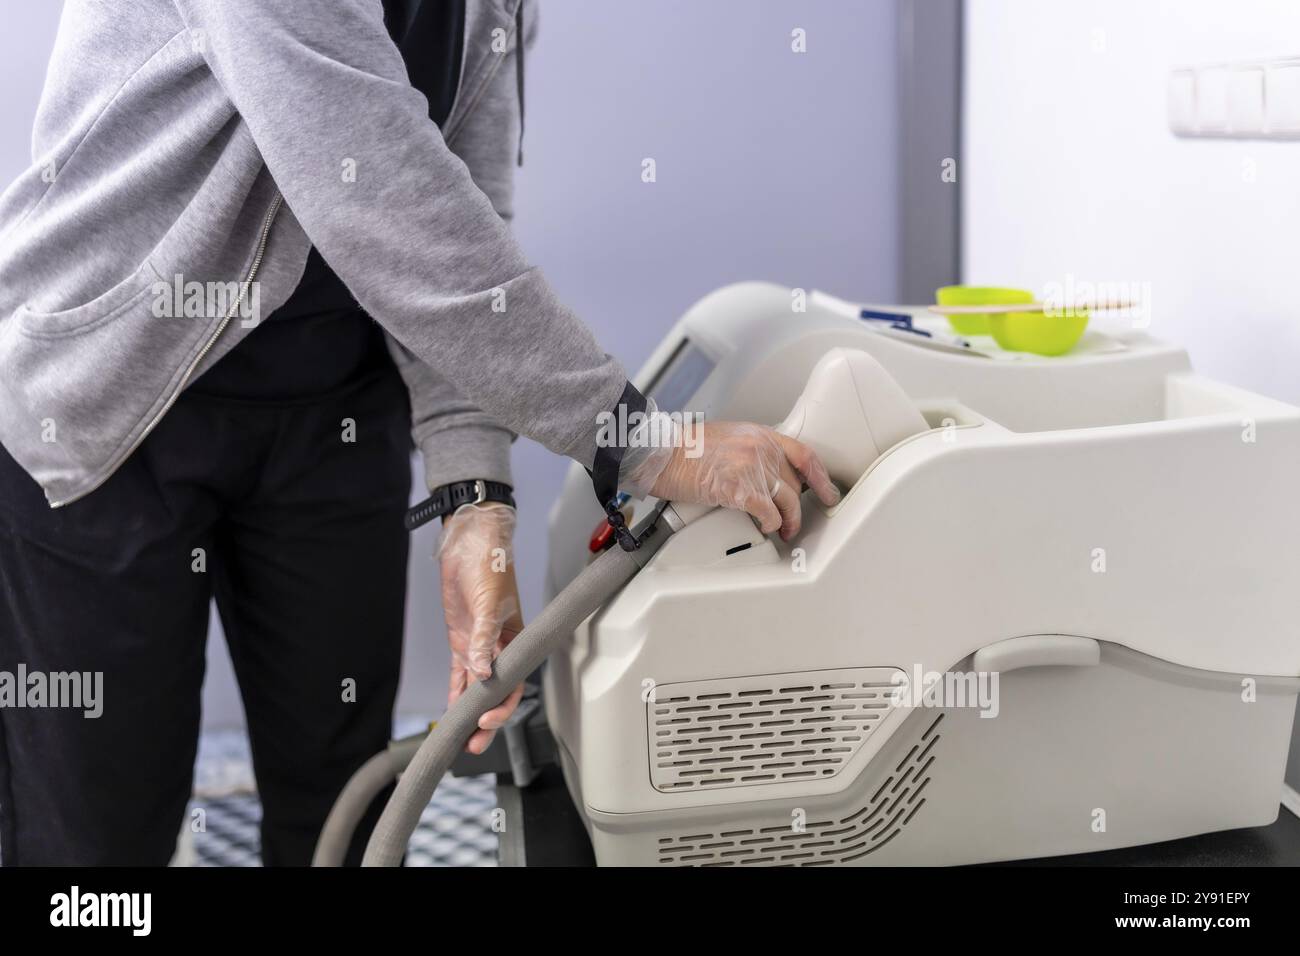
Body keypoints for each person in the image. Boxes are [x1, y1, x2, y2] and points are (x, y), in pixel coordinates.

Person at [0, 0, 838, 866]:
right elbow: (382, 200)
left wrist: (475, 498)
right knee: (94, 843)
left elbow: (460, 216)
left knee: (343, 812)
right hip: (108, 409)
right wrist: (645, 442)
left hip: (335, 415)